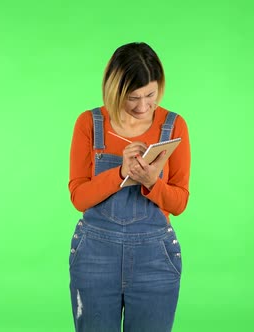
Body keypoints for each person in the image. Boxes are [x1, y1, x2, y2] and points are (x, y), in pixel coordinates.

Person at [67, 42, 191, 332]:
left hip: (155, 260)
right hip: (95, 257)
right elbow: (79, 197)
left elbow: (179, 202)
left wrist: (151, 183)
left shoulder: (174, 126)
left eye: (151, 94)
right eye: (133, 98)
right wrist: (120, 172)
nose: (144, 106)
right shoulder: (90, 123)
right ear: (115, 91)